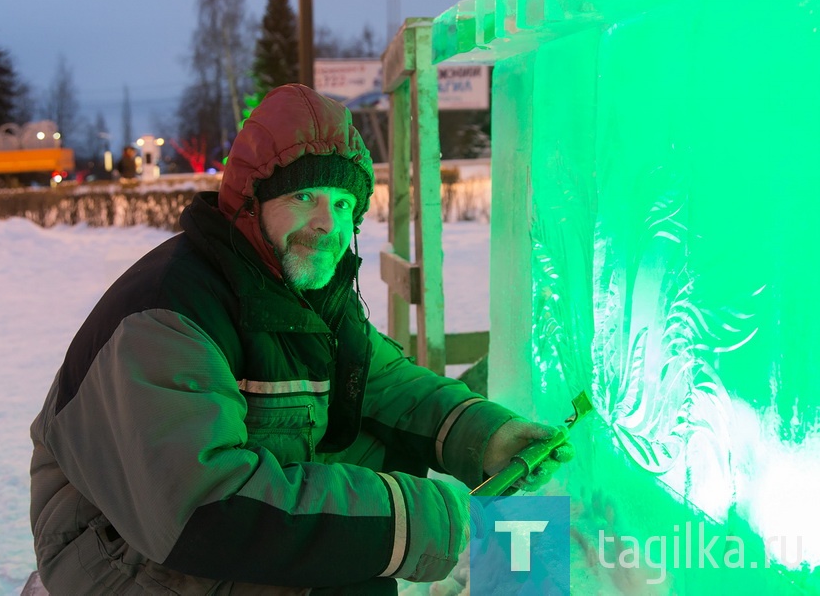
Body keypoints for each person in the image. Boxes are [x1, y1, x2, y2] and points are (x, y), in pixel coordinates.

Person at [29, 84, 573, 594]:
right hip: (112, 550)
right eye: (305, 197)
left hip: (176, 524)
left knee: (372, 494)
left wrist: (489, 436)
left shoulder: (295, 282)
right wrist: (417, 520)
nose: (326, 224)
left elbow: (386, 385)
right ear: (249, 202)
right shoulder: (170, 315)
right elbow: (204, 508)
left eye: (342, 205)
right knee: (364, 535)